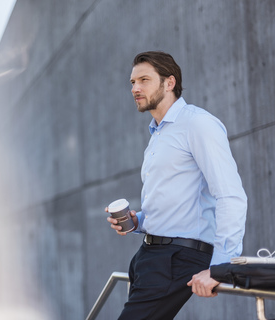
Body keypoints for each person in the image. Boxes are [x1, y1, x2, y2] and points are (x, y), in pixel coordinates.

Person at [106, 51, 247, 319]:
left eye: (144, 80)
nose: (135, 88)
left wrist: (220, 267)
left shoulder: (197, 124)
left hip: (177, 258)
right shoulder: (159, 133)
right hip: (149, 256)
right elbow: (172, 200)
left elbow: (230, 195)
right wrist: (139, 221)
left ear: (169, 83)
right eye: (132, 82)